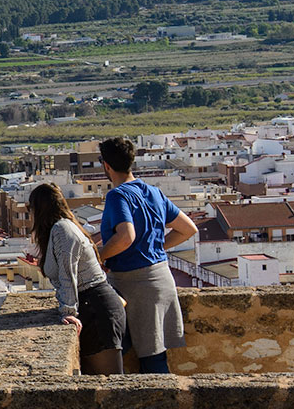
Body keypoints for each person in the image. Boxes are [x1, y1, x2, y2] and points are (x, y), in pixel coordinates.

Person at [96, 136, 197, 373]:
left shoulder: (117, 195)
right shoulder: (153, 192)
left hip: (135, 284)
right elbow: (187, 229)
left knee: (150, 360)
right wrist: (156, 247)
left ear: (107, 166)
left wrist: (99, 256)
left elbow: (126, 236)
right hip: (161, 277)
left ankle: (163, 407)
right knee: (154, 354)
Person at [28, 183, 127, 375]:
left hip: (96, 308)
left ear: (39, 209)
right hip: (94, 306)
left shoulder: (61, 230)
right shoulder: (63, 227)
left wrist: (67, 310)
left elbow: (68, 272)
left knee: (111, 387)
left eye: (30, 209)